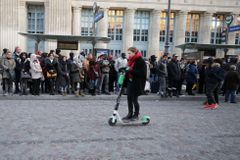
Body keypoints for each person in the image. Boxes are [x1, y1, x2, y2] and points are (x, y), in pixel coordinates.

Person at [122, 47, 147, 121]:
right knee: (129, 98)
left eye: (130, 53)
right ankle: (130, 113)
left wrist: (131, 70)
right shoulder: (131, 61)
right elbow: (129, 71)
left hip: (137, 83)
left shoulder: (140, 61)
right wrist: (125, 71)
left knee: (134, 99)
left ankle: (136, 115)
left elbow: (142, 73)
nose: (129, 55)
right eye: (128, 53)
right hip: (130, 82)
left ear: (134, 52)